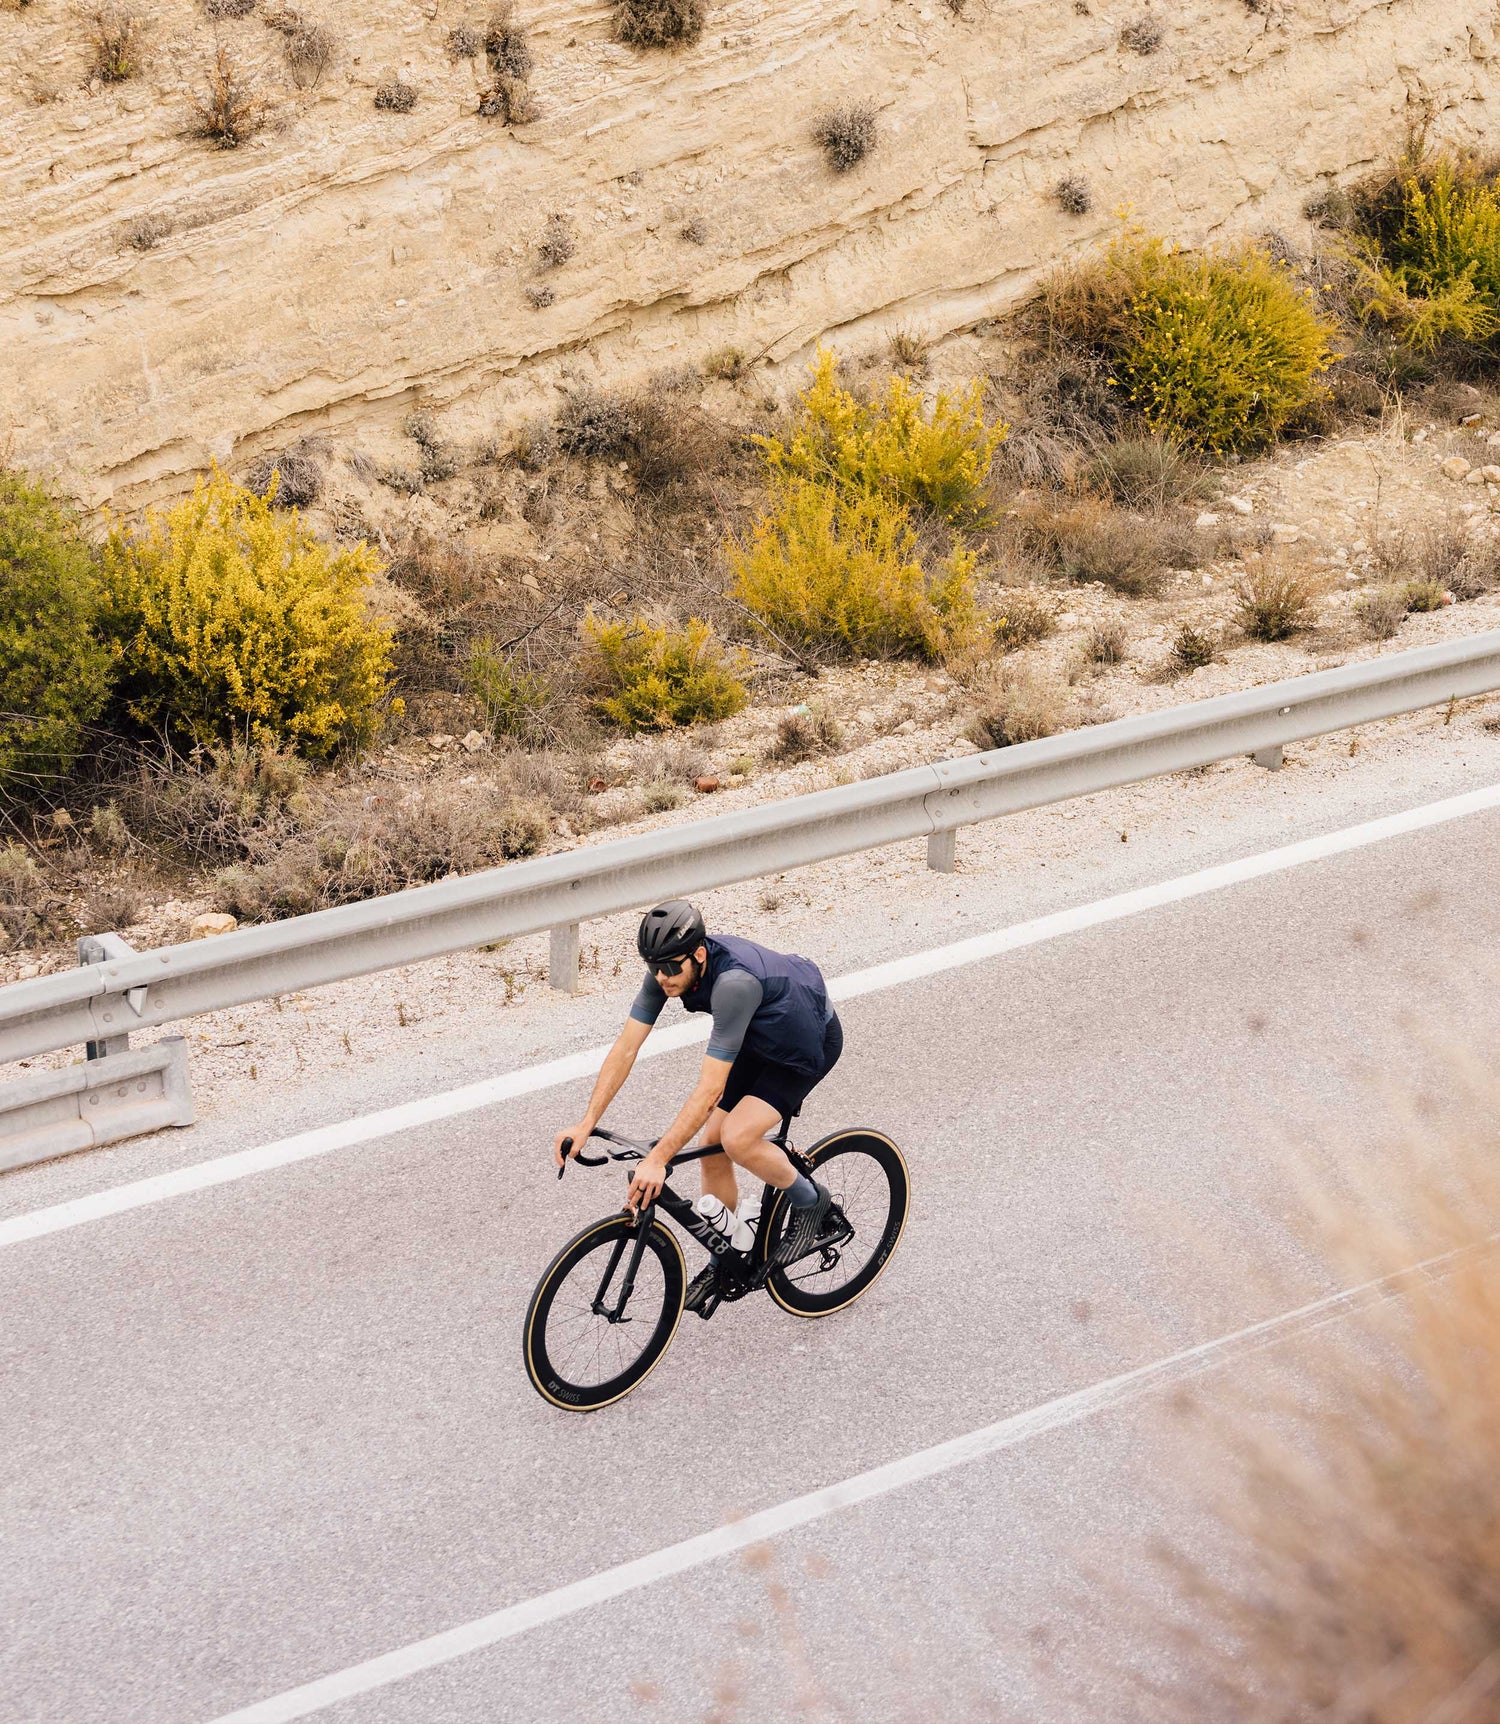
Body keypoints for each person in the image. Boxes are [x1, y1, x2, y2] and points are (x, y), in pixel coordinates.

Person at [554, 900, 844, 1312]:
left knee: (737, 1138)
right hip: (758, 1037)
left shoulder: (734, 985)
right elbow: (626, 1048)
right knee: (712, 1147)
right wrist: (586, 1122)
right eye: (654, 967)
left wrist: (658, 1159)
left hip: (804, 1043)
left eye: (671, 967)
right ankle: (724, 1260)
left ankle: (811, 1202)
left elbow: (709, 1092)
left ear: (700, 955)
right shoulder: (667, 970)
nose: (662, 977)